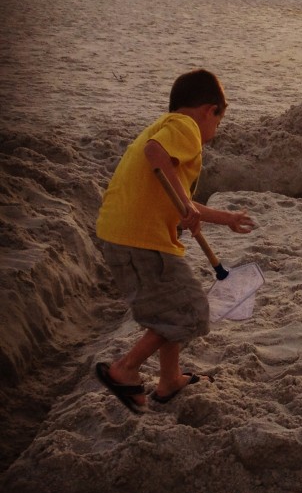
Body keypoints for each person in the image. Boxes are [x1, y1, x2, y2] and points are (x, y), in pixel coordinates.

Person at [94, 69, 254, 412]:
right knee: (191, 312)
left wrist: (225, 219)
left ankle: (170, 380)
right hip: (141, 239)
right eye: (219, 120)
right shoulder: (185, 128)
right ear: (210, 110)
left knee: (172, 307)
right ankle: (125, 368)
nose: (213, 132)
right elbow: (155, 153)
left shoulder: (164, 128)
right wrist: (184, 205)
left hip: (124, 233)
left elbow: (177, 194)